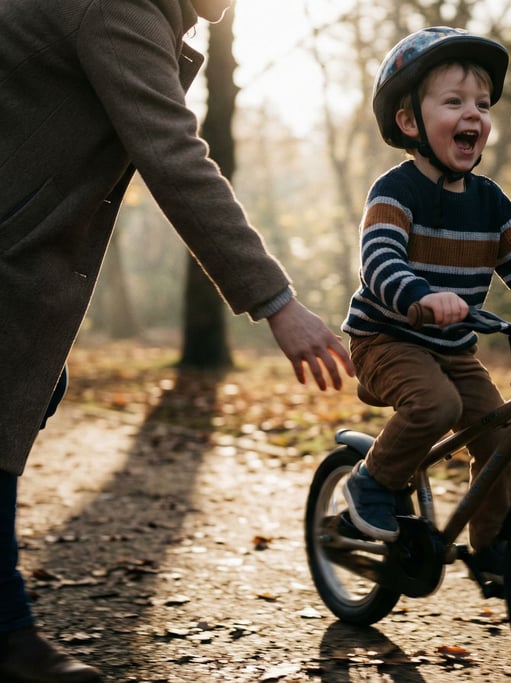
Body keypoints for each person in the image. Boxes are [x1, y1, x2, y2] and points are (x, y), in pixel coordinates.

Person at [0, 1, 354, 681]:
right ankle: (5, 631)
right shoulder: (119, 9)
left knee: (33, 388)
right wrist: (276, 302)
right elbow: (172, 155)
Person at [341, 27, 511, 574]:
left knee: (498, 437)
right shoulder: (395, 193)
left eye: (482, 104)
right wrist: (421, 296)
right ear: (408, 122)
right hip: (387, 339)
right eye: (454, 102)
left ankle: (492, 548)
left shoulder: (490, 202)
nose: (474, 114)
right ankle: (369, 484)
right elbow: (379, 264)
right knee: (436, 406)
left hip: (452, 348)